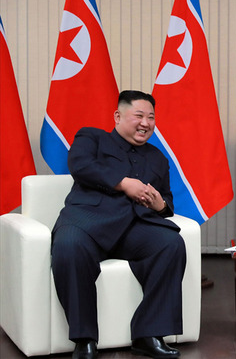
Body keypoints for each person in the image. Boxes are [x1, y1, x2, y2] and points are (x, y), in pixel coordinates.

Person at [51, 90, 186, 359]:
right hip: (86, 221)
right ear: (118, 116)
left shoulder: (158, 157)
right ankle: (84, 338)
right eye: (139, 115)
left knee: (170, 243)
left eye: (151, 117)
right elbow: (80, 166)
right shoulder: (91, 137)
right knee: (68, 245)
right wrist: (124, 183)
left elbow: (167, 199)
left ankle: (149, 335)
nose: (146, 123)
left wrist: (161, 205)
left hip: (134, 227)